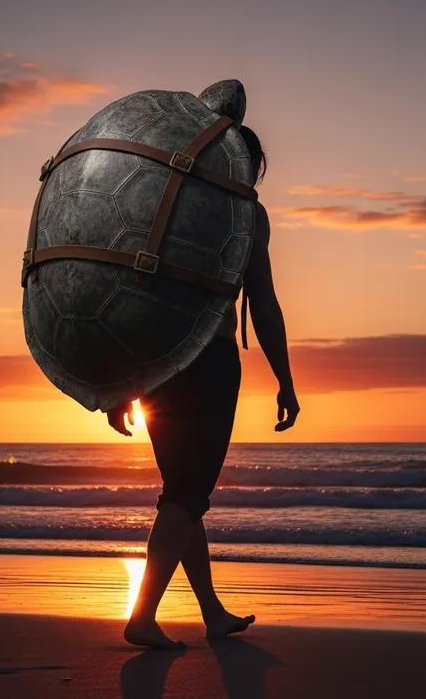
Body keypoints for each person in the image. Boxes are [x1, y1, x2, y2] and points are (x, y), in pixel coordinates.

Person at [106, 125, 300, 649]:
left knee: (183, 494)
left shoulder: (163, 197)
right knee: (188, 494)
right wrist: (284, 379)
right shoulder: (246, 212)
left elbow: (132, 285)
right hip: (208, 361)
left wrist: (126, 377)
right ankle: (142, 617)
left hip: (157, 362)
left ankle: (211, 611)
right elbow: (261, 300)